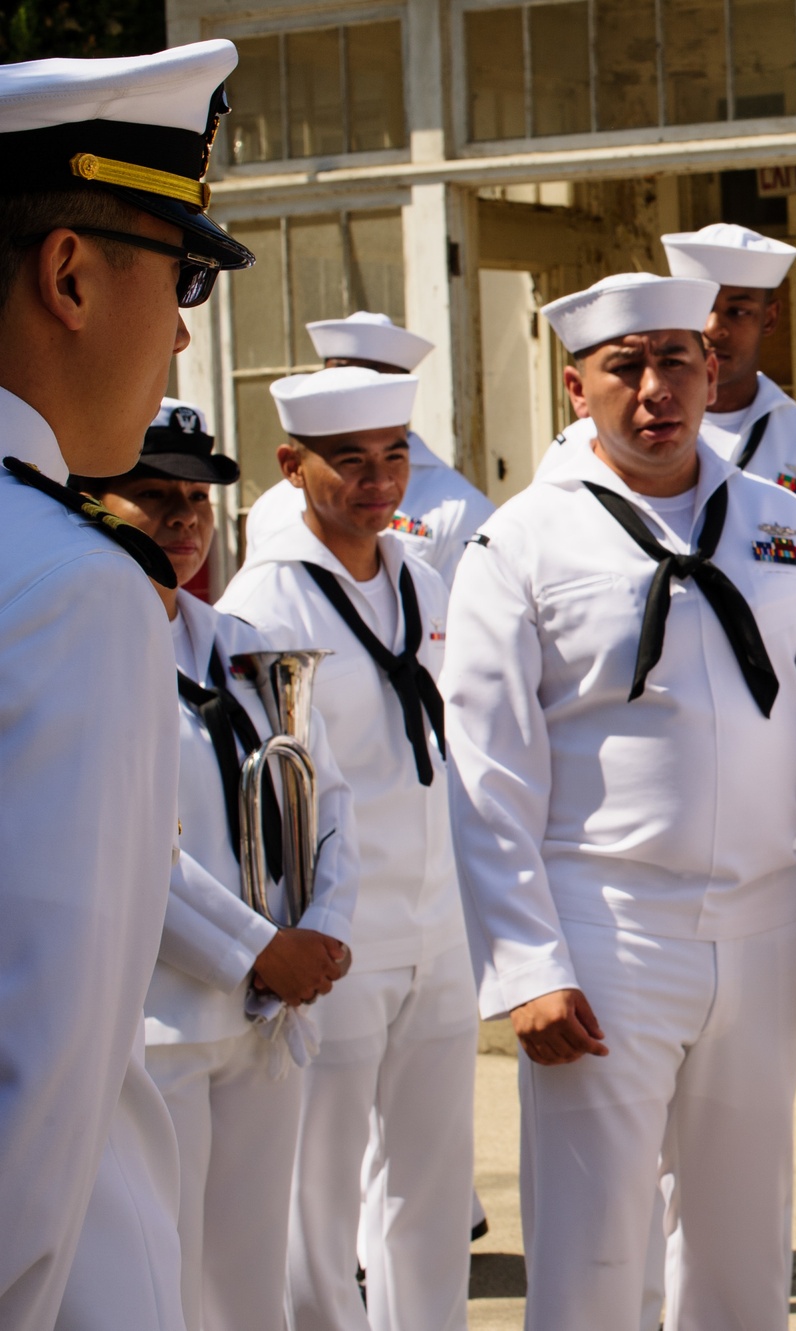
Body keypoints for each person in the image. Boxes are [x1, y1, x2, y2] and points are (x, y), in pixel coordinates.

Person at [444, 271, 796, 1329]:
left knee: (742, 1240)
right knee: (594, 1249)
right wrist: (526, 965)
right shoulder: (520, 543)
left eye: (677, 360)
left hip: (759, 928)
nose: (656, 387)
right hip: (604, 927)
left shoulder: (782, 524)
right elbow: (487, 770)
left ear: (712, 370)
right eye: (625, 366)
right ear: (577, 387)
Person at [0, 39, 254, 1331]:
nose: (180, 332)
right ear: (71, 275)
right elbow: (37, 1076)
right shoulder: (65, 587)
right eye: (182, 277)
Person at [72, 399, 363, 1331]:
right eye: (154, 496)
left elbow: (330, 801)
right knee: (165, 1278)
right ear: (90, 503)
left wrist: (324, 928)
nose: (184, 520)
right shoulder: (89, 644)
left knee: (248, 1283)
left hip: (265, 1023)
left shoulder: (240, 647)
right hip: (160, 1022)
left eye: (197, 501)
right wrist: (256, 948)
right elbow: (126, 843)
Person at [218, 366, 475, 1331]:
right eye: (350, 461)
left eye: (396, 455)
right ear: (292, 466)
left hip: (437, 918)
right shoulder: (265, 600)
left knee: (430, 1181)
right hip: (337, 926)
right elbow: (275, 793)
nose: (380, 481)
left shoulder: (421, 575)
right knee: (315, 1191)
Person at [537, 224, 796, 616]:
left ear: (770, 318)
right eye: (701, 308)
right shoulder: (588, 443)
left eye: (738, 311)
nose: (714, 328)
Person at [245, 311, 497, 589]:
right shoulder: (271, 505)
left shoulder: (460, 506)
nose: (356, 387)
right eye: (341, 371)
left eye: (374, 376)